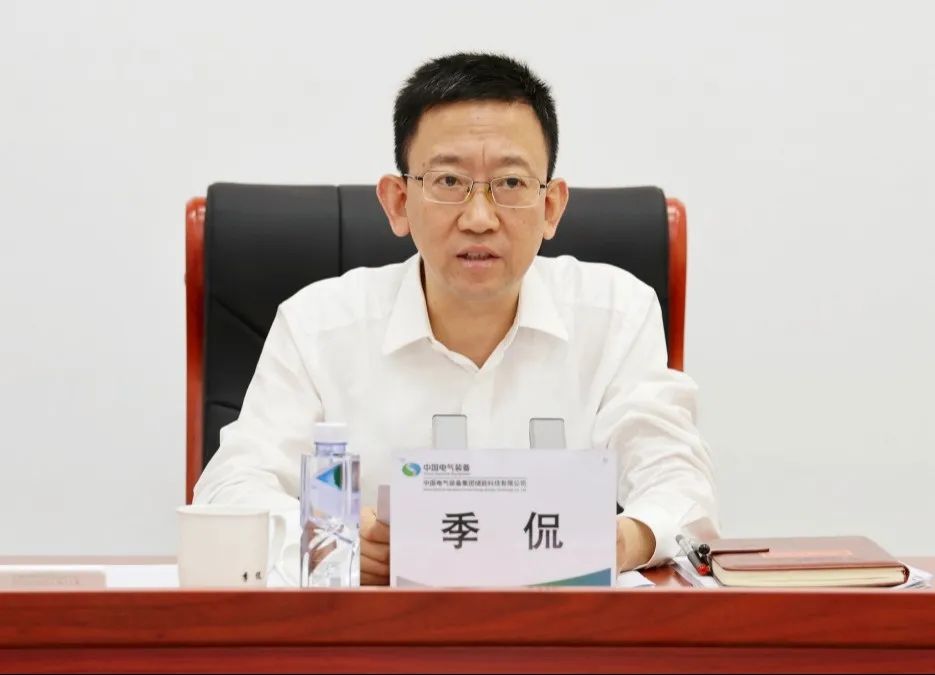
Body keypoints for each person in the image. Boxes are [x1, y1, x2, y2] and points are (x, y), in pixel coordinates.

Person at [193, 52, 718, 586]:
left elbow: (679, 482)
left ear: (552, 207)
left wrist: (622, 539)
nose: (480, 218)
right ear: (398, 202)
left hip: (557, 625)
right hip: (382, 630)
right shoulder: (318, 326)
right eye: (448, 181)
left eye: (510, 183)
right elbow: (229, 494)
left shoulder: (615, 314)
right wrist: (335, 539)